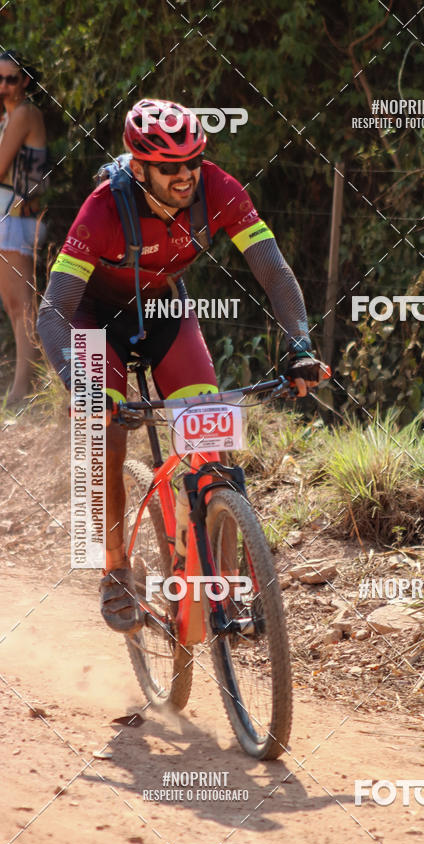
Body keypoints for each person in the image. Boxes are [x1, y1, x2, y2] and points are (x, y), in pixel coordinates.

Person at [38, 98, 323, 634]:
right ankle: (116, 567)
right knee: (105, 440)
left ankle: (222, 577)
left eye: (194, 161)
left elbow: (276, 275)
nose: (186, 175)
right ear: (139, 167)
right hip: (93, 320)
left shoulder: (218, 189)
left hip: (165, 312)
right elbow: (52, 310)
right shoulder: (103, 209)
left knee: (208, 435)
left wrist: (300, 345)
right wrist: (83, 386)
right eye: (171, 167)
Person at [0, 50, 48, 405]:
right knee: (15, 306)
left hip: (19, 217)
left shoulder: (25, 114)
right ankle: (23, 389)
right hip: (6, 214)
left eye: (11, 78)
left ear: (25, 81)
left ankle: (23, 392)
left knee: (24, 306)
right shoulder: (7, 117)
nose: (3, 86)